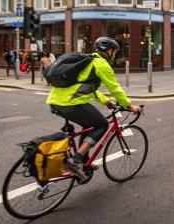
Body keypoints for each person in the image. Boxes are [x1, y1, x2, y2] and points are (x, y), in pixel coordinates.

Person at [46, 37, 142, 180]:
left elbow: (87, 87)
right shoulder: (101, 64)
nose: (114, 54)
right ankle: (76, 160)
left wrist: (106, 101)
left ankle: (84, 162)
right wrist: (129, 106)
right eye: (114, 51)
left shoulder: (87, 61)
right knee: (101, 125)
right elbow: (115, 89)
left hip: (55, 102)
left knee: (89, 126)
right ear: (108, 51)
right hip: (71, 104)